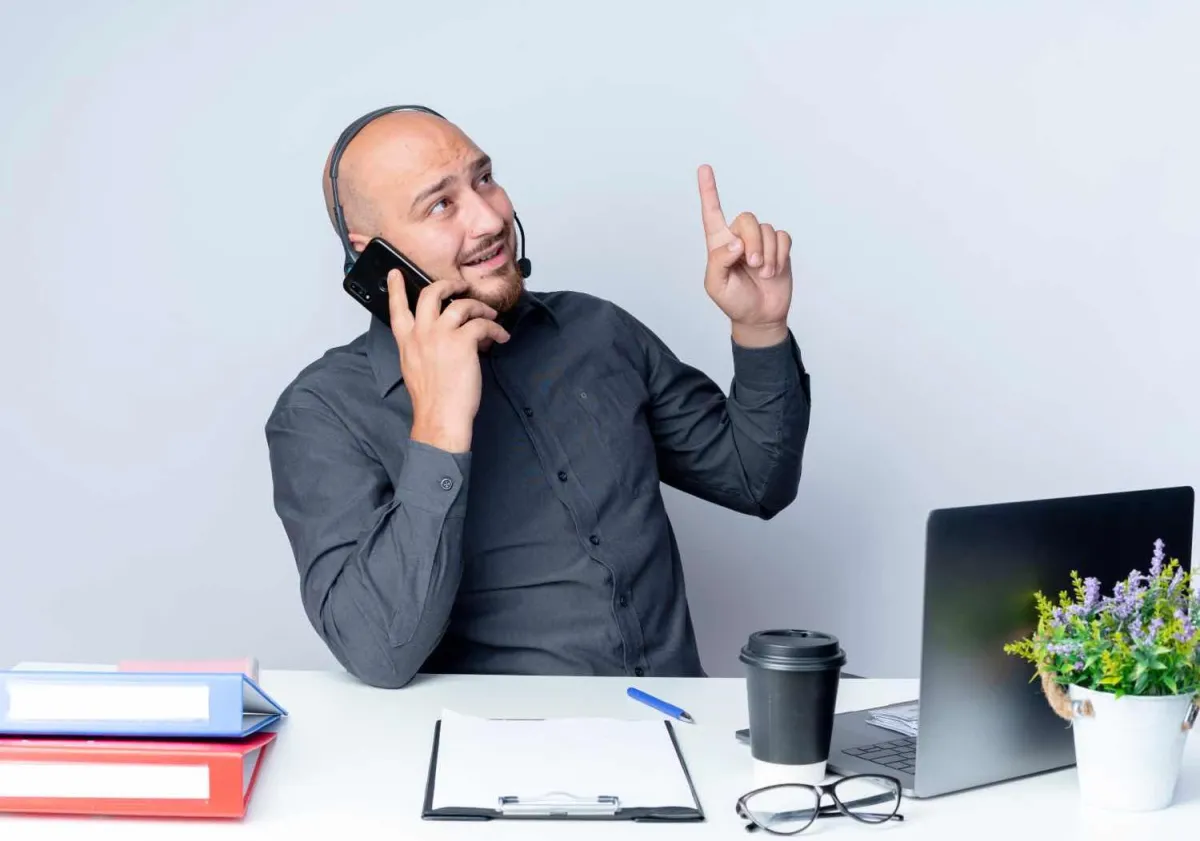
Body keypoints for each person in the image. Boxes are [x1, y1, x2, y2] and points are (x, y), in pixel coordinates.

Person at [265, 106, 812, 689]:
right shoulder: (319, 414)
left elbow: (758, 482)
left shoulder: (599, 331)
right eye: (441, 204)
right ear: (375, 252)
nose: (488, 218)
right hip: (494, 759)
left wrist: (760, 331)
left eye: (484, 179)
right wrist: (439, 425)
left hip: (674, 733)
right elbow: (377, 652)